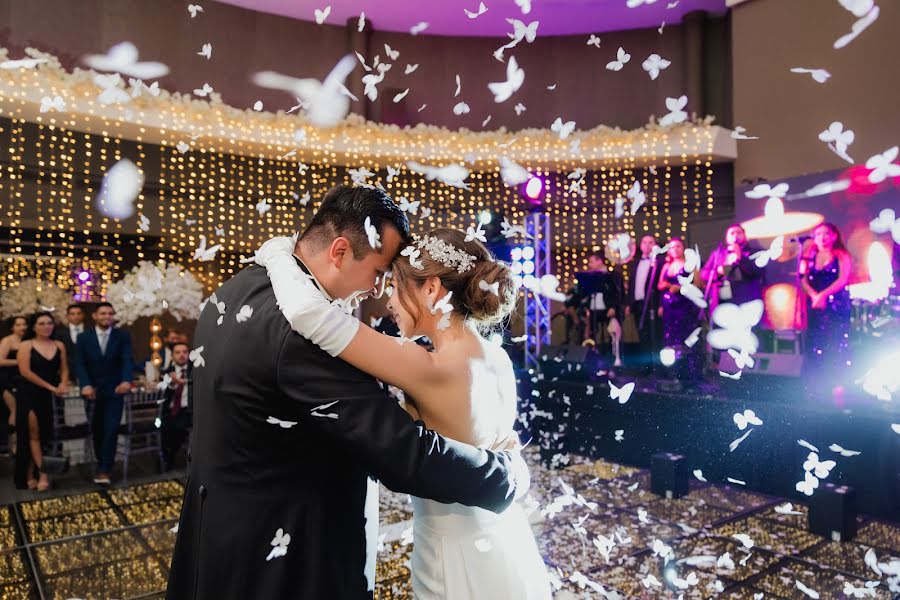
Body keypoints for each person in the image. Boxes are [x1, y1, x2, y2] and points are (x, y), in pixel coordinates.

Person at [165, 186, 533, 600]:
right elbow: (403, 450)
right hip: (284, 564)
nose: (380, 292)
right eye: (380, 274)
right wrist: (507, 475)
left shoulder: (231, 292)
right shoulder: (494, 358)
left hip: (220, 536)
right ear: (340, 251)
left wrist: (276, 251)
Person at [254, 222, 551, 600]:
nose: (388, 300)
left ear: (431, 288)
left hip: (452, 555)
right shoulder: (498, 357)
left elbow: (307, 316)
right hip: (505, 539)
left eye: (395, 285)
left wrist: (278, 253)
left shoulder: (428, 365)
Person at [75, 302, 134, 485]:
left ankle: (105, 469)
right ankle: (101, 462)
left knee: (111, 429)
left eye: (110, 313)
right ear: (95, 316)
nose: (107, 316)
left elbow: (127, 360)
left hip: (115, 391)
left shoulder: (122, 336)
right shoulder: (83, 337)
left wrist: (126, 380)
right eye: (103, 313)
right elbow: (80, 363)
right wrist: (85, 384)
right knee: (97, 429)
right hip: (91, 392)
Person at [15, 312, 68, 491]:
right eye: (42, 323)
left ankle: (31, 475)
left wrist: (62, 384)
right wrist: (52, 387)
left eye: (49, 323)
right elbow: (25, 372)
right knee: (33, 435)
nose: (46, 326)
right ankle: (43, 474)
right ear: (34, 327)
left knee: (44, 436)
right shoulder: (26, 345)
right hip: (30, 394)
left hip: (50, 397)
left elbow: (64, 369)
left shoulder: (59, 345)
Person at [799, 222, 852, 394]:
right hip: (815, 303)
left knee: (834, 341)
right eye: (818, 234)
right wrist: (814, 295)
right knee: (815, 341)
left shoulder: (841, 254)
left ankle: (835, 383)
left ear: (834, 235)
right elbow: (803, 279)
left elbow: (842, 279)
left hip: (835, 303)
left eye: (826, 233)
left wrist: (823, 295)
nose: (822, 237)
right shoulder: (810, 254)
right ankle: (814, 384)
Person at [657, 238, 702, 382]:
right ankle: (673, 372)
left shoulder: (690, 264)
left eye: (678, 246)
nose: (675, 249)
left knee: (685, 337)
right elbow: (659, 284)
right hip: (668, 306)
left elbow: (699, 284)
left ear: (683, 248)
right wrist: (667, 286)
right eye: (672, 247)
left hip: (684, 305)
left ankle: (688, 373)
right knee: (670, 338)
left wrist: (681, 287)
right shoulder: (666, 265)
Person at [700, 224, 765, 316]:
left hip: (746, 299)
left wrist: (740, 257)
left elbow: (758, 273)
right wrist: (718, 272)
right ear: (727, 237)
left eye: (739, 233)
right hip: (722, 299)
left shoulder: (754, 253)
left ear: (744, 235)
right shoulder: (718, 253)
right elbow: (704, 274)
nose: (735, 235)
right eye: (732, 233)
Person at [625, 235, 664, 373]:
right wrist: (629, 303)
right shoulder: (635, 263)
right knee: (642, 335)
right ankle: (646, 367)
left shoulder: (659, 262)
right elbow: (632, 284)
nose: (647, 245)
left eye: (651, 242)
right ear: (640, 245)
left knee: (655, 334)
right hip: (638, 303)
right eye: (645, 242)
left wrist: (661, 304)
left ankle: (658, 367)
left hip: (652, 304)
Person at [159, 341, 192, 471]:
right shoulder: (167, 372)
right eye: (178, 352)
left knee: (178, 427)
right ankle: (166, 459)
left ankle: (170, 457)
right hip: (170, 410)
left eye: (184, 352)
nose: (182, 355)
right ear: (172, 356)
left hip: (188, 410)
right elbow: (162, 394)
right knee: (163, 427)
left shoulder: (196, 370)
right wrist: (172, 383)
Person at [0, 316, 28, 453]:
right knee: (14, 410)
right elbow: (0, 360)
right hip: (7, 381)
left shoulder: (28, 340)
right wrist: (20, 361)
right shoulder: (7, 340)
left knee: (23, 411)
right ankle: (14, 445)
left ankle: (21, 443)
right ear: (12, 327)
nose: (22, 327)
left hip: (23, 380)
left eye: (24, 324)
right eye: (18, 325)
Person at [54, 304, 86, 378]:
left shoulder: (91, 331)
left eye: (79, 313)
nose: (76, 316)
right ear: (67, 316)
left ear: (83, 315)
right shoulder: (59, 333)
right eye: (72, 314)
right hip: (67, 373)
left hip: (88, 372)